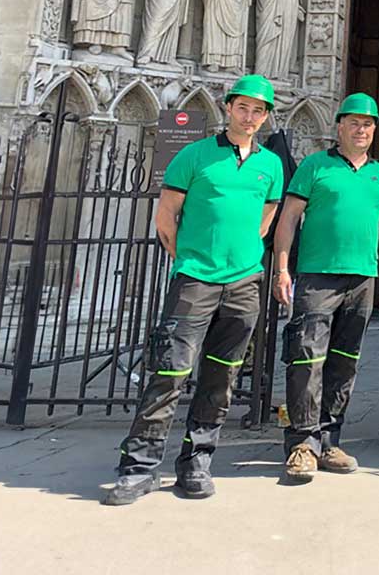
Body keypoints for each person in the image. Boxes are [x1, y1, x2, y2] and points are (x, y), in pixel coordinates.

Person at [102, 75, 283, 505]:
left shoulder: (270, 165)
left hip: (244, 283)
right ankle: (140, 467)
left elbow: (269, 212)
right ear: (228, 108)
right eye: (244, 107)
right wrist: (193, 258)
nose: (250, 116)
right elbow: (167, 217)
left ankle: (196, 461)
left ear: (266, 116)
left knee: (221, 376)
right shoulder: (195, 155)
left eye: (259, 110)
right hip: (196, 280)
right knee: (169, 372)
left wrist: (243, 253)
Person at [273, 93, 379, 482]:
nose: (362, 130)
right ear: (339, 126)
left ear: (375, 130)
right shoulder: (314, 166)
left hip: (361, 277)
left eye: (368, 124)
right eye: (354, 123)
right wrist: (282, 268)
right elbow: (289, 218)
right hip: (317, 275)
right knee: (307, 358)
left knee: (345, 361)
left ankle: (329, 439)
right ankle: (302, 443)